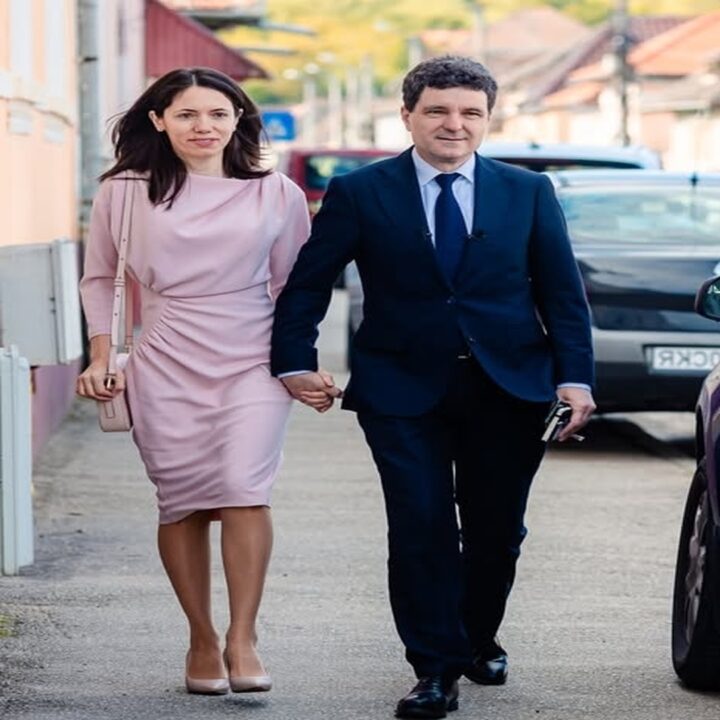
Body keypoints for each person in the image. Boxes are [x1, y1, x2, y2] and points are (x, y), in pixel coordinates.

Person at [271, 55, 596, 719]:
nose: (455, 124)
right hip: (399, 388)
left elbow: (563, 293)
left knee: (496, 531)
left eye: (471, 112)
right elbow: (308, 283)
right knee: (420, 526)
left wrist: (574, 376)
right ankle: (436, 670)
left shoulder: (527, 192)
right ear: (408, 115)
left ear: (488, 118)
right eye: (439, 111)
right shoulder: (361, 191)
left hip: (509, 386)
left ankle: (476, 637)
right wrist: (294, 360)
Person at [77, 67, 316, 696]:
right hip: (163, 354)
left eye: (217, 114)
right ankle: (201, 638)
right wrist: (102, 356)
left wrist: (299, 365)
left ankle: (243, 637)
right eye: (186, 114)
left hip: (252, 355)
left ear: (238, 120)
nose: (203, 126)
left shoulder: (277, 193)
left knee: (244, 487)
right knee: (181, 500)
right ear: (159, 121)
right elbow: (101, 278)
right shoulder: (125, 191)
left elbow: (294, 289)